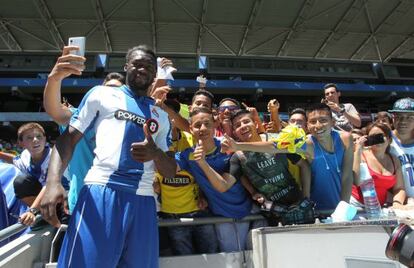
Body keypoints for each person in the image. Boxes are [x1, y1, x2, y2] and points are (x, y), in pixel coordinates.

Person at [40, 45, 176, 268]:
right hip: (101, 190)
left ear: (154, 74)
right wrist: (53, 182)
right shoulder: (101, 94)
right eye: (137, 64)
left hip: (143, 201)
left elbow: (170, 172)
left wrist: (156, 153)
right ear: (126, 68)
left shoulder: (160, 116)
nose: (142, 69)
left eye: (148, 66)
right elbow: (67, 139)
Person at [221, 103, 354, 211]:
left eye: (323, 120)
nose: (318, 125)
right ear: (307, 126)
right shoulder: (305, 144)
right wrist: (238, 146)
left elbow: (347, 176)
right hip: (315, 207)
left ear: (333, 122)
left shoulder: (346, 139)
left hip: (341, 207)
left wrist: (344, 208)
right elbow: (275, 146)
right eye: (313, 121)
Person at [43, 46, 126, 213]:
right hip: (83, 204)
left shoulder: (128, 124)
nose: (111, 93)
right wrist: (54, 79)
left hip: (120, 205)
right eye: (107, 88)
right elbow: (55, 111)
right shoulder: (78, 118)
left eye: (117, 90)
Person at [175, 107, 252, 252]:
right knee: (232, 257)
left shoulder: (227, 146)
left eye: (207, 124)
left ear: (215, 125)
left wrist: (202, 162)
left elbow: (224, 185)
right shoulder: (187, 156)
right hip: (221, 216)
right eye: (197, 125)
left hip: (250, 212)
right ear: (190, 129)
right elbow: (168, 169)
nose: (202, 128)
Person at [154, 99, 218, 255]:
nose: (169, 120)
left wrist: (202, 195)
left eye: (171, 116)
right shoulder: (155, 139)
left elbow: (199, 173)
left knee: (212, 255)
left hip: (200, 211)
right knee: (184, 257)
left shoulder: (192, 140)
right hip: (173, 215)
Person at [229, 110, 312, 225]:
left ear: (256, 124)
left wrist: (306, 196)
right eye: (238, 125)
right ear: (234, 132)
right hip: (274, 213)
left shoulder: (277, 140)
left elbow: (303, 165)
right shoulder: (237, 156)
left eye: (246, 122)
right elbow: (239, 176)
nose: (243, 126)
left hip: (298, 203)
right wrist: (253, 192)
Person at [0, 123, 65, 226]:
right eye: (29, 138)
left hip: (61, 199)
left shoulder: (54, 157)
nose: (35, 140)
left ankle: (48, 215)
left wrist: (32, 211)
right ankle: (43, 215)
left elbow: (48, 186)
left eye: (39, 136)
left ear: (45, 139)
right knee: (21, 182)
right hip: (43, 195)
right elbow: (14, 160)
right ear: (21, 143)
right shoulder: (26, 155)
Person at [351, 122, 406, 208]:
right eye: (373, 137)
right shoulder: (360, 156)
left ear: (389, 139)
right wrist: (358, 149)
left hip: (378, 208)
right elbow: (356, 182)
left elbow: (399, 188)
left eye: (381, 135)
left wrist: (397, 204)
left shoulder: (394, 160)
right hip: (356, 205)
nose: (377, 139)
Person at [388, 97, 414, 205]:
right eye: (398, 116)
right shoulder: (385, 141)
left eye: (409, 117)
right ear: (393, 118)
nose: (403, 121)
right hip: (396, 203)